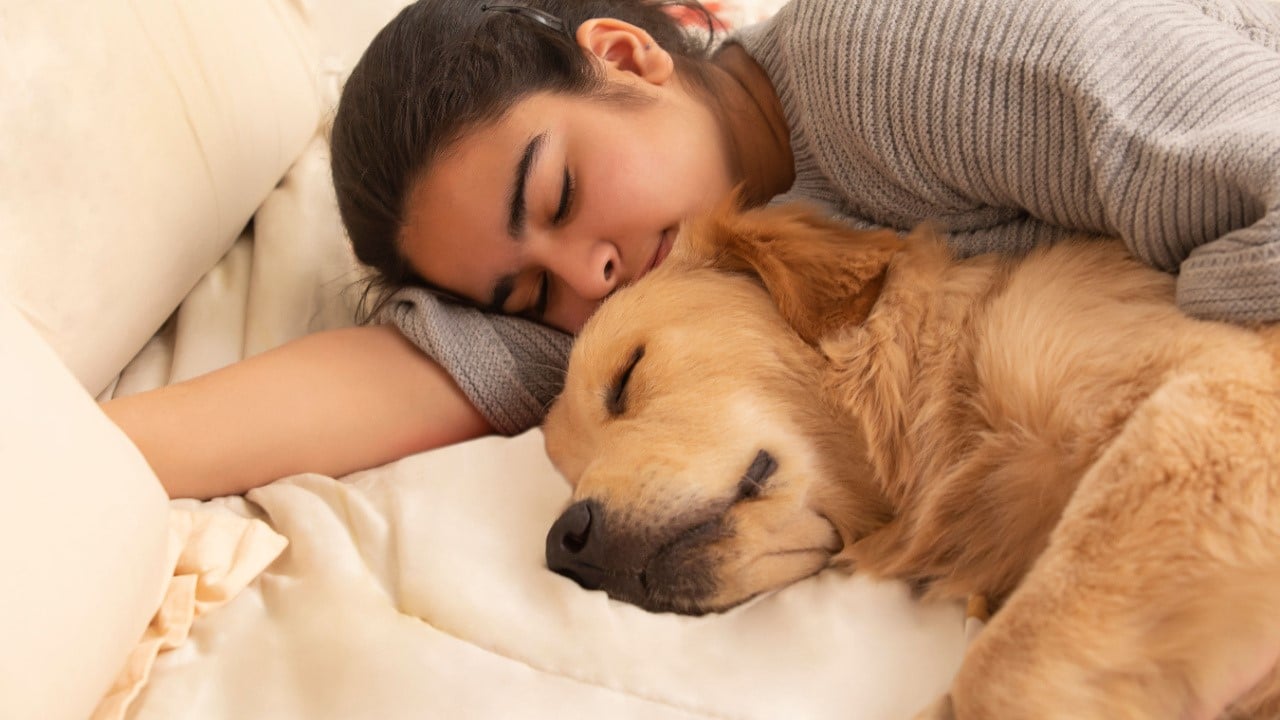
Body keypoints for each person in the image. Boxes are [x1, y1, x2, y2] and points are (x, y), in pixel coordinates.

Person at [103, 0, 1280, 500]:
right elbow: (426, 373)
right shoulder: (675, 287)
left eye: (556, 191)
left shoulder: (896, 59)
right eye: (527, 292)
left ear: (622, 56)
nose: (586, 279)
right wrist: (68, 453)